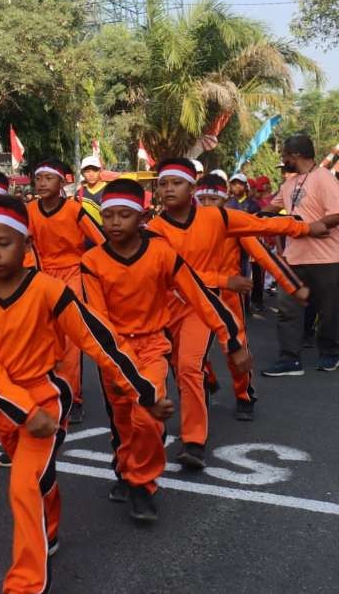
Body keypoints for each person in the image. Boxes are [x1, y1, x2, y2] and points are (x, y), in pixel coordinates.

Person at [0, 194, 172, 594]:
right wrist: (20, 411)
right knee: (40, 481)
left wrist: (143, 391)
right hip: (4, 405)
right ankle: (50, 528)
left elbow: (99, 343)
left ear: (26, 245)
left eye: (3, 243)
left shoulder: (49, 289)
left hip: (44, 397)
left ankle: (27, 582)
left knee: (22, 485)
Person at [147, 157, 326, 468]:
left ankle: (199, 436)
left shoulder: (218, 218)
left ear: (191, 187)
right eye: (162, 183)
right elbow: (170, 276)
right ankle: (207, 389)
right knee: (184, 367)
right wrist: (222, 279)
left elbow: (264, 228)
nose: (168, 189)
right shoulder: (153, 230)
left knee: (216, 357)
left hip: (216, 301)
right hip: (173, 305)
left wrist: (306, 229)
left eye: (176, 182)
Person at [81, 179, 244, 521]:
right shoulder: (92, 261)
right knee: (124, 421)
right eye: (108, 216)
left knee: (146, 415)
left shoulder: (161, 253)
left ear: (141, 216)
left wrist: (231, 340)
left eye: (123, 215)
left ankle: (142, 484)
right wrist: (113, 362)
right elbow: (96, 321)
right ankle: (126, 468)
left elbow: (199, 296)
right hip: (113, 352)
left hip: (153, 346)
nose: (113, 223)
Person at [194, 174, 309, 415]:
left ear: (223, 199)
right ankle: (208, 380)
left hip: (228, 295)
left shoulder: (234, 225)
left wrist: (293, 287)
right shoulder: (187, 226)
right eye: (201, 198)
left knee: (236, 350)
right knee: (191, 352)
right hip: (194, 296)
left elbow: (266, 257)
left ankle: (244, 395)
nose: (206, 204)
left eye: (212, 199)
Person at [26, 158, 106, 424]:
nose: (42, 184)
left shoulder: (75, 209)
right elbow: (24, 245)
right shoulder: (29, 211)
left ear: (62, 182)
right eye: (38, 179)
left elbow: (100, 240)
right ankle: (49, 390)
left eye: (48, 178)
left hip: (72, 273)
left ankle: (74, 398)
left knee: (72, 339)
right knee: (45, 338)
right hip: (42, 277)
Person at [262, 134, 339, 375]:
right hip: (294, 258)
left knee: (330, 311)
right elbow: (269, 211)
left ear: (295, 156)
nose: (283, 159)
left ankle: (330, 353)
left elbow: (336, 214)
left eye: (284, 155)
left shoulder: (324, 178)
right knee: (288, 309)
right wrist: (242, 222)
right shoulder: (288, 184)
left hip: (327, 258)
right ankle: (289, 359)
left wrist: (308, 227)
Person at [227, 173, 266, 312]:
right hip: (230, 247)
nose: (236, 186)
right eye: (233, 183)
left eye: (239, 183)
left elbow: (258, 226)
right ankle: (233, 305)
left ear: (245, 186)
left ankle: (246, 305)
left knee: (247, 275)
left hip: (248, 247)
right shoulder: (227, 203)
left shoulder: (253, 205)